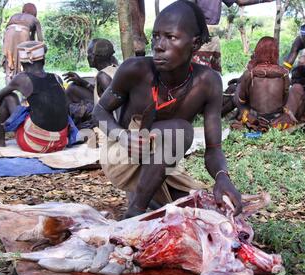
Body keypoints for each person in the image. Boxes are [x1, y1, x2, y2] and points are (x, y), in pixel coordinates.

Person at [93, 0, 242, 219]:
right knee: (181, 129)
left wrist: (222, 177)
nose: (158, 45)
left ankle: (143, 195)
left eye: (170, 37)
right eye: (155, 36)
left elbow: (213, 148)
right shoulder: (135, 70)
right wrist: (123, 136)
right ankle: (134, 213)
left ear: (196, 43)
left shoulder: (208, 82)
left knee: (202, 210)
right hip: (122, 155)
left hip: (159, 163)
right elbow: (99, 112)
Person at [0, 41, 69, 154]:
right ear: (44, 61)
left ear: (22, 63)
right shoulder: (56, 78)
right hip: (61, 141)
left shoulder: (22, 78)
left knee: (9, 97)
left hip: (35, 144)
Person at [233, 37, 304, 131]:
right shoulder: (284, 73)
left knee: (238, 90)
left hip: (255, 120)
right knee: (298, 89)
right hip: (277, 121)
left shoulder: (249, 73)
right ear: (276, 53)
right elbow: (284, 100)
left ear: (257, 51)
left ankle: (246, 119)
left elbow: (242, 100)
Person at [190, 0, 274, 73]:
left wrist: (262, 0)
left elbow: (239, 1)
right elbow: (189, 8)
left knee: (215, 72)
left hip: (213, 36)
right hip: (199, 34)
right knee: (200, 72)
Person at [64, 39, 119, 127]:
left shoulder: (103, 76)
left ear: (93, 57)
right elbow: (104, 94)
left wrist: (96, 121)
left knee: (71, 106)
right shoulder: (115, 68)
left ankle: (69, 127)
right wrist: (83, 82)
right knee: (72, 88)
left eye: (88, 53)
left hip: (108, 121)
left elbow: (115, 105)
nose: (87, 57)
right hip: (105, 111)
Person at [2, 3, 43, 84]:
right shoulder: (34, 19)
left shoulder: (14, 15)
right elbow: (39, 41)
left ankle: (8, 85)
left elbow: (6, 29)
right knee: (23, 60)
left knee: (9, 62)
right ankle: (21, 84)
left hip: (9, 34)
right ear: (35, 12)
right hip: (23, 33)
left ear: (23, 10)